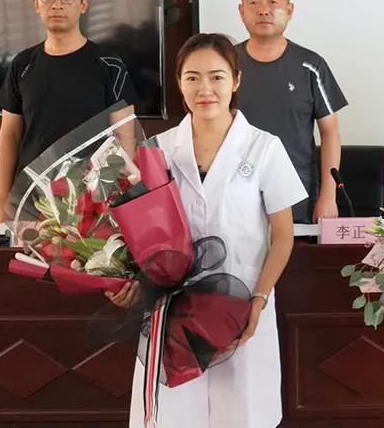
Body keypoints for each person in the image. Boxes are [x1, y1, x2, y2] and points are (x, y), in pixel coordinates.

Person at [110, 33, 306, 428]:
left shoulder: (264, 147)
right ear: (179, 83)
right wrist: (124, 281)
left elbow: (283, 236)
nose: (205, 89)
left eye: (217, 77)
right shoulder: (157, 150)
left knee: (242, 412)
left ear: (236, 80)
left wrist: (259, 298)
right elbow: (138, 234)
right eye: (193, 78)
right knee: (175, 414)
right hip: (172, 308)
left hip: (242, 301)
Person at [0, 0, 137, 224]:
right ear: (36, 4)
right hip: (32, 197)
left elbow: (125, 136)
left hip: (91, 200)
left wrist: (116, 195)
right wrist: (1, 201)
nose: (56, 4)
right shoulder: (22, 64)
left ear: (83, 5)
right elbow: (9, 135)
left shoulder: (109, 64)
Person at [234, 0, 347, 223]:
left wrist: (328, 197)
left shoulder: (311, 65)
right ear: (242, 12)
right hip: (233, 196)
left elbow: (330, 133)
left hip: (296, 196)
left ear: (289, 10)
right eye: (254, 2)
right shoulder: (225, 65)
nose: (263, 10)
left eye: (272, 1)